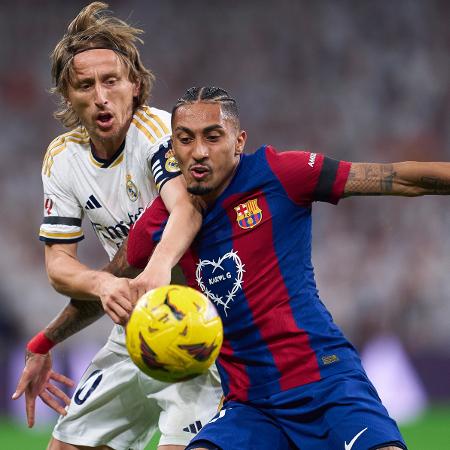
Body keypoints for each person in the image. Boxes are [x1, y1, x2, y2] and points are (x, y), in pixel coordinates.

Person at [123, 86, 450, 450]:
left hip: (326, 382)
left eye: (213, 137)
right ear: (173, 149)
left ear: (238, 141)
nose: (199, 151)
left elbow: (398, 177)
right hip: (249, 403)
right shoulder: (161, 223)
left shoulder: (280, 172)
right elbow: (128, 266)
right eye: (185, 140)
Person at [12, 6, 222, 450]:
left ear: (136, 86)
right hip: (138, 328)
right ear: (67, 96)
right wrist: (103, 284)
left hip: (200, 324)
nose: (101, 96)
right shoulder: (62, 158)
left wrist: (157, 269)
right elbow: (58, 267)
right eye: (85, 85)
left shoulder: (159, 130)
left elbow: (186, 210)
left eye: (111, 81)